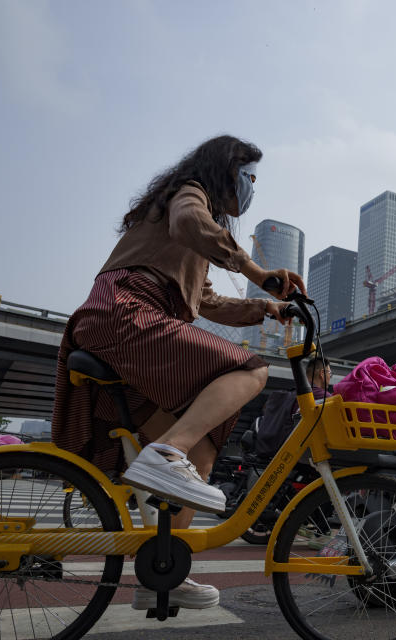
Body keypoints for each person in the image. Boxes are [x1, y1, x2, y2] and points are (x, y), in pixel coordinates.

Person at [51, 135, 305, 611]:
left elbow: (206, 300)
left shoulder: (189, 238)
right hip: (126, 312)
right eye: (248, 175)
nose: (251, 186)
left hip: (137, 324)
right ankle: (166, 451)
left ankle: (165, 570)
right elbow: (192, 221)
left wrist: (266, 308)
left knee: (203, 451)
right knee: (252, 368)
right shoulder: (188, 194)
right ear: (226, 171)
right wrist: (258, 271)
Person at [255, 356, 332, 459]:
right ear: (322, 374)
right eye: (330, 374)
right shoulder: (324, 397)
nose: (330, 377)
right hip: (296, 456)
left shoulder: (284, 396)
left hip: (268, 451)